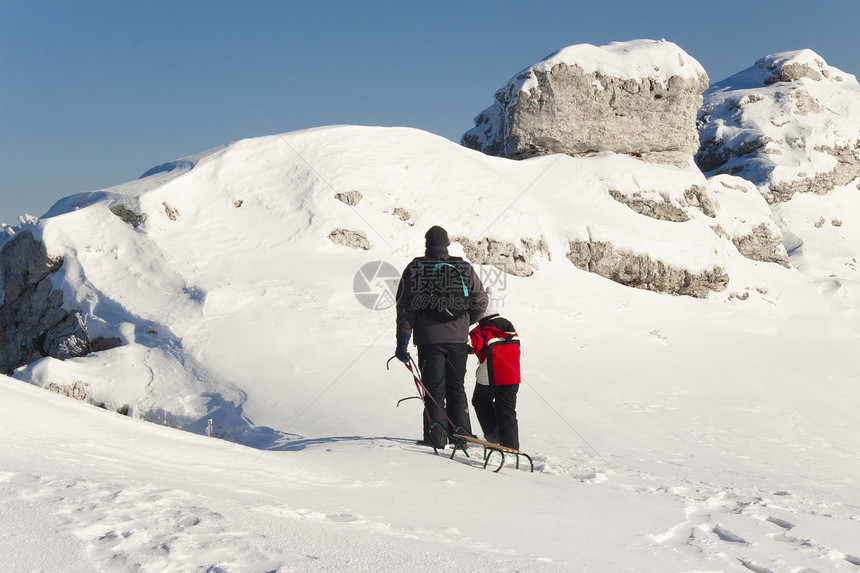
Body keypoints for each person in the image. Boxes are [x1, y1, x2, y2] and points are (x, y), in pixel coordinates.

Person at [395, 225, 488, 448]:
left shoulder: (416, 267)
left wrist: (402, 341)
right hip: (458, 340)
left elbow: (405, 307)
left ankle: (436, 440)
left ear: (427, 245)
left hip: (429, 340)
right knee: (456, 388)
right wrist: (465, 322)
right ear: (447, 244)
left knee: (434, 390)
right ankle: (462, 439)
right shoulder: (463, 267)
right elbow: (481, 301)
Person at [467, 287, 521, 450]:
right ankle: (511, 447)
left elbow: (469, 347)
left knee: (480, 401)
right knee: (507, 411)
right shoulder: (509, 326)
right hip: (513, 377)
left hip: (491, 376)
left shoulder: (481, 330)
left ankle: (493, 437)